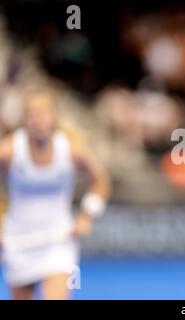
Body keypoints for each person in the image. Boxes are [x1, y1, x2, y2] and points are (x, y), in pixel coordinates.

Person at [0, 89, 111, 299]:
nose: (38, 121)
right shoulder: (9, 150)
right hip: (17, 240)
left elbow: (101, 181)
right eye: (32, 115)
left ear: (54, 117)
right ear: (24, 119)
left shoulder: (71, 149)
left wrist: (87, 215)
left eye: (43, 114)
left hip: (59, 239)